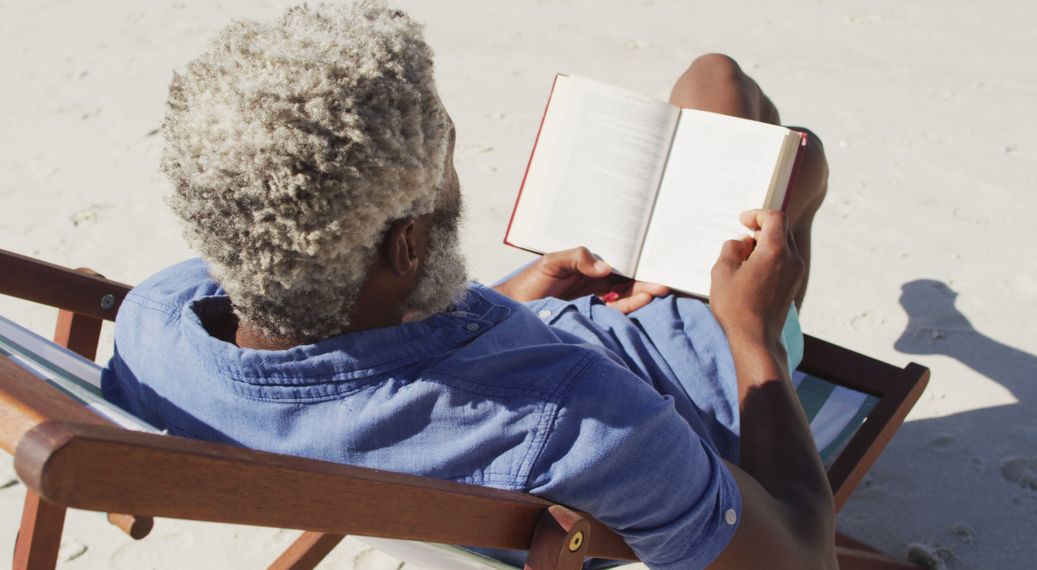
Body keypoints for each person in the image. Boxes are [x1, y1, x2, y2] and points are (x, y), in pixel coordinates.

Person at [101, 3, 834, 569]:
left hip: (539, 342)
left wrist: (517, 296)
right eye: (444, 166)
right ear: (407, 244)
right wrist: (753, 332)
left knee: (719, 90)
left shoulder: (155, 323)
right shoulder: (581, 426)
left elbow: (375, 391)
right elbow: (802, 561)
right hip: (693, 370)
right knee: (778, 137)